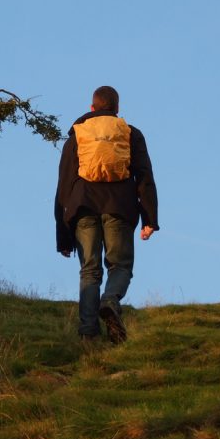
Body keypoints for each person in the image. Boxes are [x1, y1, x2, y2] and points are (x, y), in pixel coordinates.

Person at [54, 85, 159, 343]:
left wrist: (63, 234)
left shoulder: (77, 135)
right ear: (117, 108)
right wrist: (150, 219)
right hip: (119, 207)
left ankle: (88, 333)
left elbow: (63, 184)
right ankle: (110, 300)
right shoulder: (130, 133)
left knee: (89, 270)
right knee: (120, 265)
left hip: (83, 207)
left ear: (92, 108)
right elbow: (144, 177)